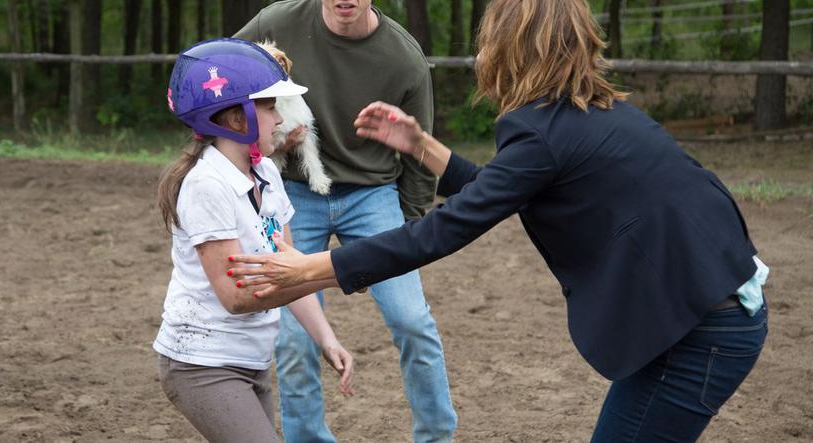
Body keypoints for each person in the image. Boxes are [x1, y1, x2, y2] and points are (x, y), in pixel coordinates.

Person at [227, 0, 770, 441]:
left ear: (512, 46)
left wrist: (307, 271)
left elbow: (442, 231)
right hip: (704, 302)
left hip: (702, 325)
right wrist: (420, 145)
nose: (483, 46)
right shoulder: (588, 112)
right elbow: (502, 189)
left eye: (491, 34)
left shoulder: (543, 132)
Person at [235, 2, 458, 441]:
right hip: (295, 189)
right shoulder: (275, 22)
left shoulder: (404, 57)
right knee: (294, 337)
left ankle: (436, 436)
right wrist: (262, 139)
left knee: (412, 320)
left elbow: (419, 154)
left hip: (372, 194)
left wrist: (408, 234)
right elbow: (219, 78)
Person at [153, 38, 354, 443]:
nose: (280, 119)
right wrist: (338, 272)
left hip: (251, 359)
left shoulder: (267, 175)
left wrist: (326, 338)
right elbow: (237, 298)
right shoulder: (207, 185)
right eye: (268, 107)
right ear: (235, 117)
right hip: (203, 364)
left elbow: (290, 267)